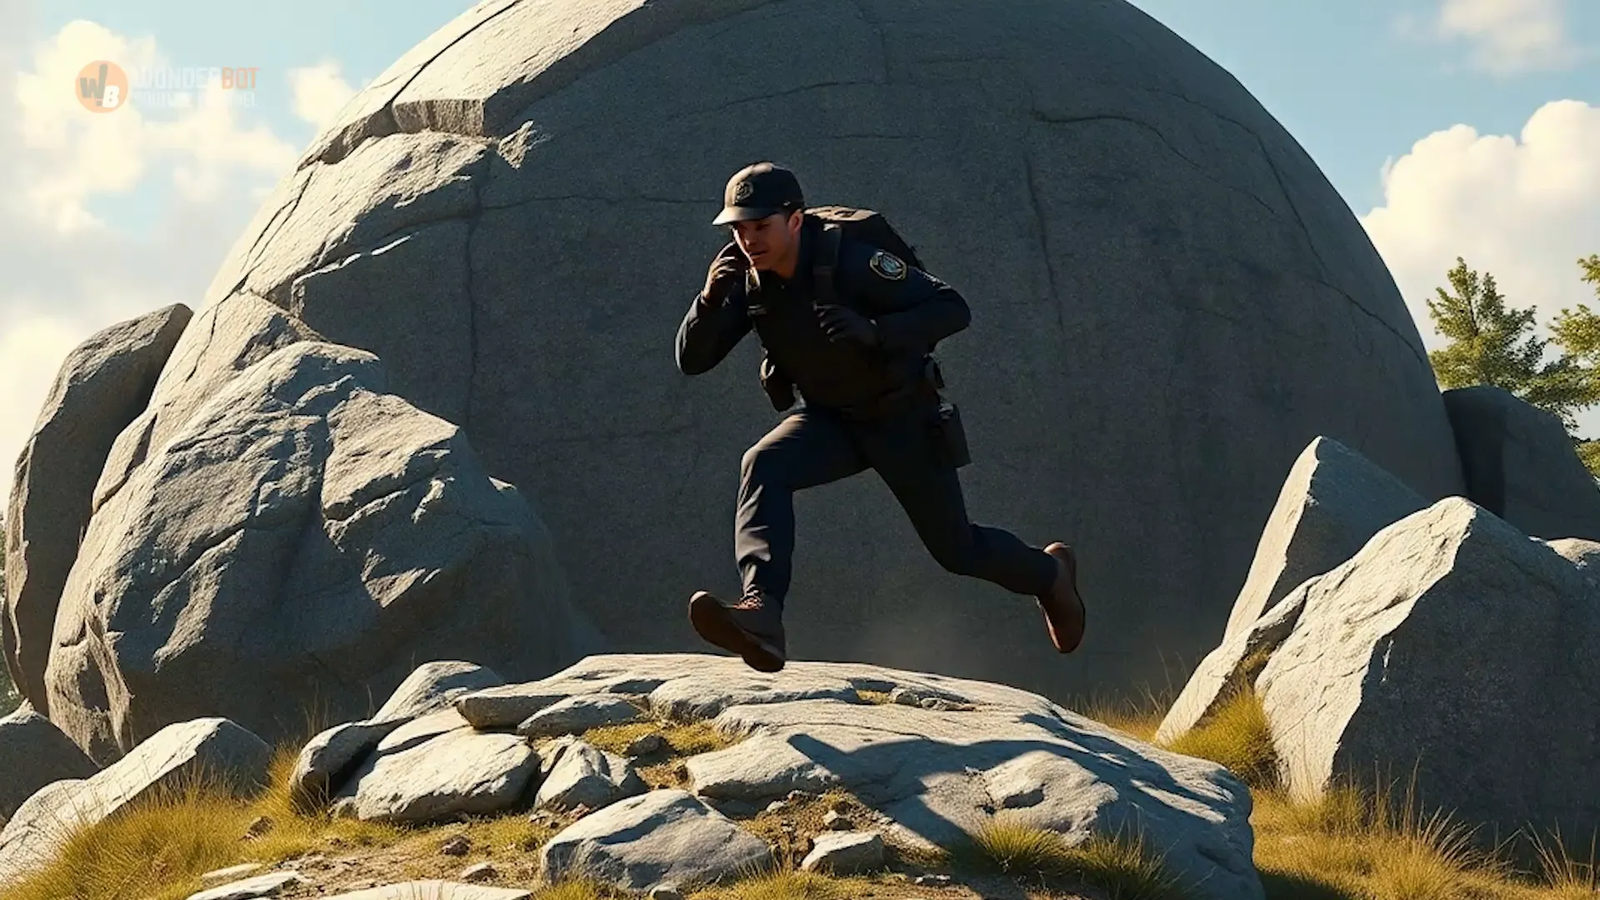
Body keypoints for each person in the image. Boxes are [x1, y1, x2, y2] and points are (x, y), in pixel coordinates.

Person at [674, 161, 1085, 672]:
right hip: (831, 420)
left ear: (794, 220)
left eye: (761, 226)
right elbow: (691, 360)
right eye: (738, 228)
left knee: (957, 550)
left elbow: (952, 308)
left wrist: (875, 332)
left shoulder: (850, 262)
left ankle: (1049, 573)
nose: (748, 239)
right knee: (763, 464)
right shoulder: (742, 278)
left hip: (902, 418)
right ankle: (762, 614)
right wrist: (710, 300)